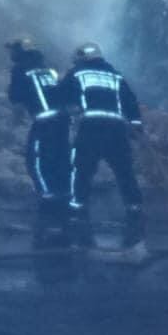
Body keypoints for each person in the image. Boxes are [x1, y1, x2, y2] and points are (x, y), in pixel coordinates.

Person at [65, 42, 144, 246]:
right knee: (124, 172)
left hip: (91, 128)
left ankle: (77, 211)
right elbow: (130, 102)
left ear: (81, 58)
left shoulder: (78, 73)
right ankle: (135, 210)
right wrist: (136, 126)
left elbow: (63, 95)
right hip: (117, 130)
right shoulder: (116, 75)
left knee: (81, 170)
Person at [5, 37, 70, 245]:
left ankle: (47, 200)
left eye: (13, 50)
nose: (11, 55)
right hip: (62, 121)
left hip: (44, 122)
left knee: (36, 162)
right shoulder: (47, 69)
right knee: (60, 160)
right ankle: (64, 201)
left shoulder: (20, 69)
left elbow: (15, 96)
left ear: (20, 52)